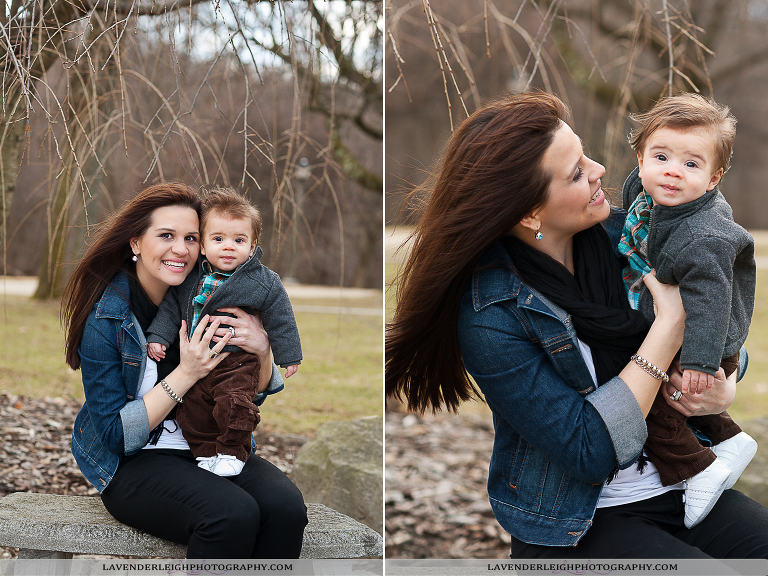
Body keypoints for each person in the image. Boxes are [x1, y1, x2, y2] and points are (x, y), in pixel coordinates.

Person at [385, 92, 768, 558]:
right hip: (576, 522)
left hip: (680, 488)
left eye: (585, 153)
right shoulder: (491, 314)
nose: (599, 169)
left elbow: (715, 320)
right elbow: (590, 449)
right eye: (576, 171)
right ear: (529, 213)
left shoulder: (629, 237)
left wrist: (724, 380)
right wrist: (667, 329)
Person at [63, 182, 308, 559]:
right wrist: (187, 372)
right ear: (135, 243)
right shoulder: (107, 318)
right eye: (166, 235)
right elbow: (114, 436)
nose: (181, 249)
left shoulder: (221, 296)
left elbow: (250, 392)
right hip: (135, 462)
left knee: (287, 510)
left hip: (210, 446)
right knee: (230, 516)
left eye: (191, 237)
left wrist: (262, 349)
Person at [618, 93, 757, 529]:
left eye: (692, 164)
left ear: (714, 179)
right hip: (695, 330)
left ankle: (698, 469)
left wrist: (700, 362)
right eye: (661, 156)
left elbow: (712, 301)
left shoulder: (704, 235)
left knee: (655, 407)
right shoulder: (646, 198)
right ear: (640, 160)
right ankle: (731, 442)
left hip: (706, 336)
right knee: (680, 400)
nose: (673, 170)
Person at [146, 186, 302, 477]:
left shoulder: (263, 281)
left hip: (237, 361)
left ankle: (233, 452)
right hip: (196, 361)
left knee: (234, 407)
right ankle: (206, 453)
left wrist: (288, 354)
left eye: (238, 240)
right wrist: (157, 337)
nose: (228, 246)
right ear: (203, 245)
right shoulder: (191, 278)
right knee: (193, 410)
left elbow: (282, 318)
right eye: (218, 239)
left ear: (252, 247)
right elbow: (171, 310)